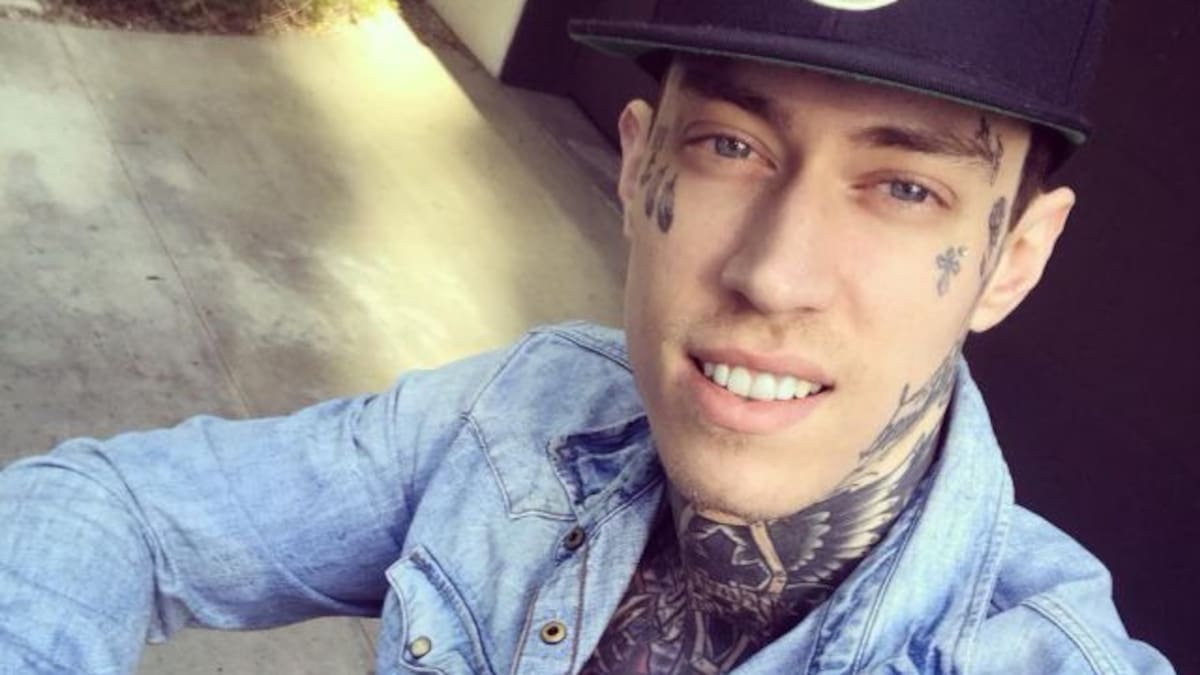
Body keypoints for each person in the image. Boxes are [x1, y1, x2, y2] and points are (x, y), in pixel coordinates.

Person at [0, 0, 1177, 673]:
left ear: (1012, 259)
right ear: (636, 164)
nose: (773, 273)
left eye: (905, 189)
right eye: (728, 146)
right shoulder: (522, 419)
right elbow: (110, 508)